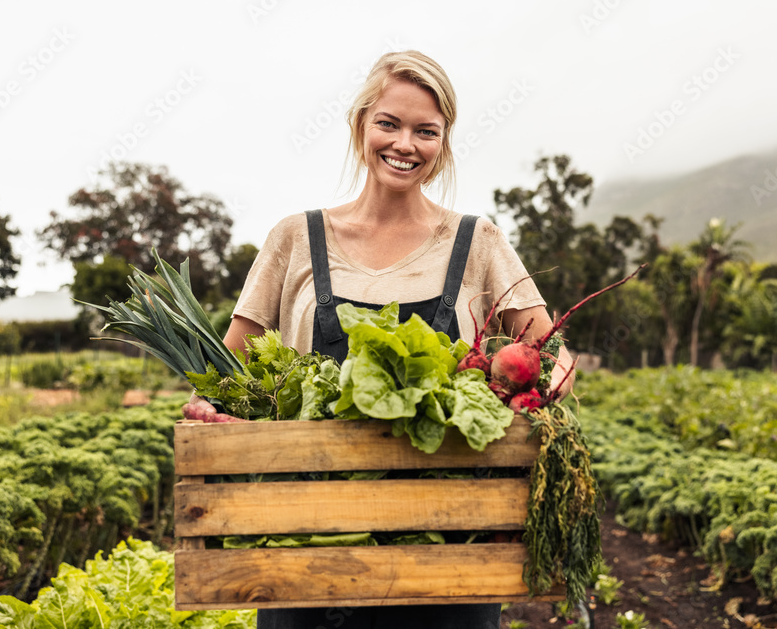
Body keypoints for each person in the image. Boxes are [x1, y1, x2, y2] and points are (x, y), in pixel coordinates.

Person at [192, 50, 573, 629]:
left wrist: (507, 389)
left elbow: (556, 361)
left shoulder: (478, 241)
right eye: (389, 124)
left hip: (447, 546)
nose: (405, 144)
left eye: (426, 131)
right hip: (309, 540)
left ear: (442, 144)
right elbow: (231, 368)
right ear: (360, 125)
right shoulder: (296, 238)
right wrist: (213, 408)